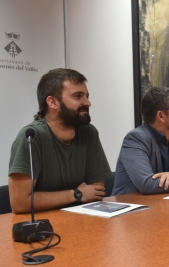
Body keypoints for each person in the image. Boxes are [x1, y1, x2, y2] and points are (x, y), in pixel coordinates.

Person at [8, 68, 111, 214]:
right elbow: (20, 203)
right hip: (42, 226)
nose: (88, 103)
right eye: (78, 96)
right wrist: (77, 194)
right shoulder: (31, 136)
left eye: (87, 96)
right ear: (52, 102)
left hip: (82, 221)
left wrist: (51, 198)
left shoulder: (88, 133)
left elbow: (96, 192)